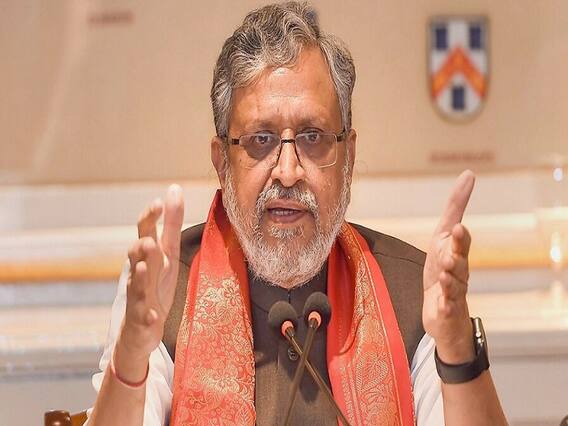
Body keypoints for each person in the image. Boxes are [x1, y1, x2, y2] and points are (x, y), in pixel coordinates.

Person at [87, 2, 507, 425]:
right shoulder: (165, 285)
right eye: (261, 139)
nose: (287, 172)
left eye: (312, 137)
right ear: (222, 162)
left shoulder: (412, 290)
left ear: (348, 156)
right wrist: (132, 355)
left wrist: (458, 349)